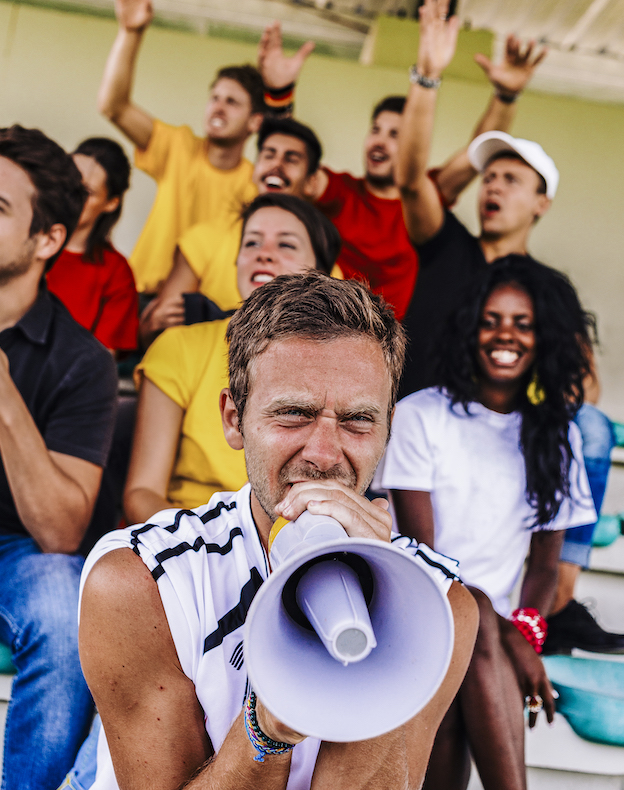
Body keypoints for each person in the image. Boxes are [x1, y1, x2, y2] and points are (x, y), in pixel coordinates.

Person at [72, 271, 479, 790]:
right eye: (294, 415)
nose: (325, 454)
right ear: (234, 418)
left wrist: (387, 617)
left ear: (387, 430)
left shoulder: (439, 605)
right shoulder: (141, 580)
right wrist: (267, 729)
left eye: (357, 421)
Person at [396, 0, 622, 653]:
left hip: (498, 449)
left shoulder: (545, 295)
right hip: (417, 437)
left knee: (588, 425)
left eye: (512, 179)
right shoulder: (447, 245)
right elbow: (415, 179)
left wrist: (513, 415)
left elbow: (585, 390)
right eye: (488, 175)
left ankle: (558, 599)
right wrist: (430, 76)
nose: (493, 187)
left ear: (542, 203)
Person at [0, 125, 118, 789]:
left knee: (69, 610)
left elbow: (60, 533)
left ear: (49, 240)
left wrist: (5, 401)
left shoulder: (85, 363)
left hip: (7, 558)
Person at [379, 256, 597, 790]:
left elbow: (546, 566)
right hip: (423, 615)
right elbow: (422, 556)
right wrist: (509, 636)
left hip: (491, 644)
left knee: (473, 652)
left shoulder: (556, 435)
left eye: (523, 323)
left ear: (543, 337)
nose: (507, 335)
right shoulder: (420, 415)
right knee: (470, 610)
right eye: (492, 320)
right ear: (470, 329)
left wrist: (524, 631)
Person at [256, 19, 544, 320]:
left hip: (400, 345)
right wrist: (279, 94)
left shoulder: (426, 196)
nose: (380, 141)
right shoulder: (340, 192)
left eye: (396, 134)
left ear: (413, 144)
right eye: (376, 130)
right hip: (331, 330)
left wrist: (506, 97)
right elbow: (288, 162)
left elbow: (479, 152)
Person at [123, 194, 340, 523]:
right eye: (251, 242)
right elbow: (142, 493)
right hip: (189, 538)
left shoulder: (343, 365)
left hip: (294, 540)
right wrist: (217, 546)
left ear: (322, 273)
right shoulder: (179, 346)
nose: (263, 253)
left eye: (286, 245)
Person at [98, 0, 310, 298]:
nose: (218, 108)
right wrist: (130, 32)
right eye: (215, 98)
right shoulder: (178, 147)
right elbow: (113, 106)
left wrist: (281, 93)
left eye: (232, 102)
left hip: (206, 312)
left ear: (255, 122)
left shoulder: (255, 185)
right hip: (140, 297)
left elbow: (291, 162)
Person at [137, 116, 326, 346]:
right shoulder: (204, 236)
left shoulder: (323, 259)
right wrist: (149, 329)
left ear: (311, 183)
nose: (276, 165)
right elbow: (162, 331)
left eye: (291, 158)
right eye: (268, 154)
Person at [47, 137, 138, 355]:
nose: (70, 195)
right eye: (68, 181)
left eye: (86, 191)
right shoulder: (20, 240)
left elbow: (98, 363)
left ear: (111, 203)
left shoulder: (116, 273)